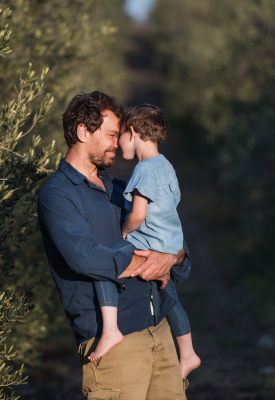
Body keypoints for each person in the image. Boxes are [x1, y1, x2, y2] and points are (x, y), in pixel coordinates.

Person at [37, 91, 192, 399]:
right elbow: (86, 258)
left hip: (160, 332)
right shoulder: (57, 196)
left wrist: (173, 257)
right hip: (115, 345)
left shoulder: (120, 188)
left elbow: (174, 243)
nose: (117, 144)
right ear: (83, 132)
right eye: (110, 135)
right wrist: (151, 262)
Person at [87, 104, 201, 379]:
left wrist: (125, 232)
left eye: (121, 135)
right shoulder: (165, 165)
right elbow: (177, 195)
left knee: (106, 263)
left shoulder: (143, 169)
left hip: (148, 242)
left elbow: (137, 215)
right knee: (170, 298)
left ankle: (111, 329)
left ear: (134, 133)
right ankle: (188, 354)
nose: (118, 143)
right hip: (171, 245)